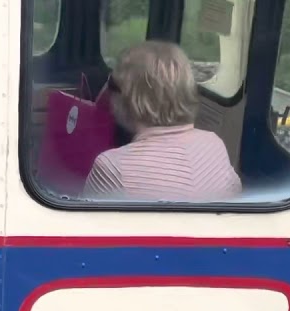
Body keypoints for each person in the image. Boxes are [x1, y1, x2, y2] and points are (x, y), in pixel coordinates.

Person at [83, 41, 241, 202]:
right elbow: (234, 196)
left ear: (127, 97)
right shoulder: (213, 145)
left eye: (112, 84)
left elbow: (86, 223)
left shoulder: (111, 168)